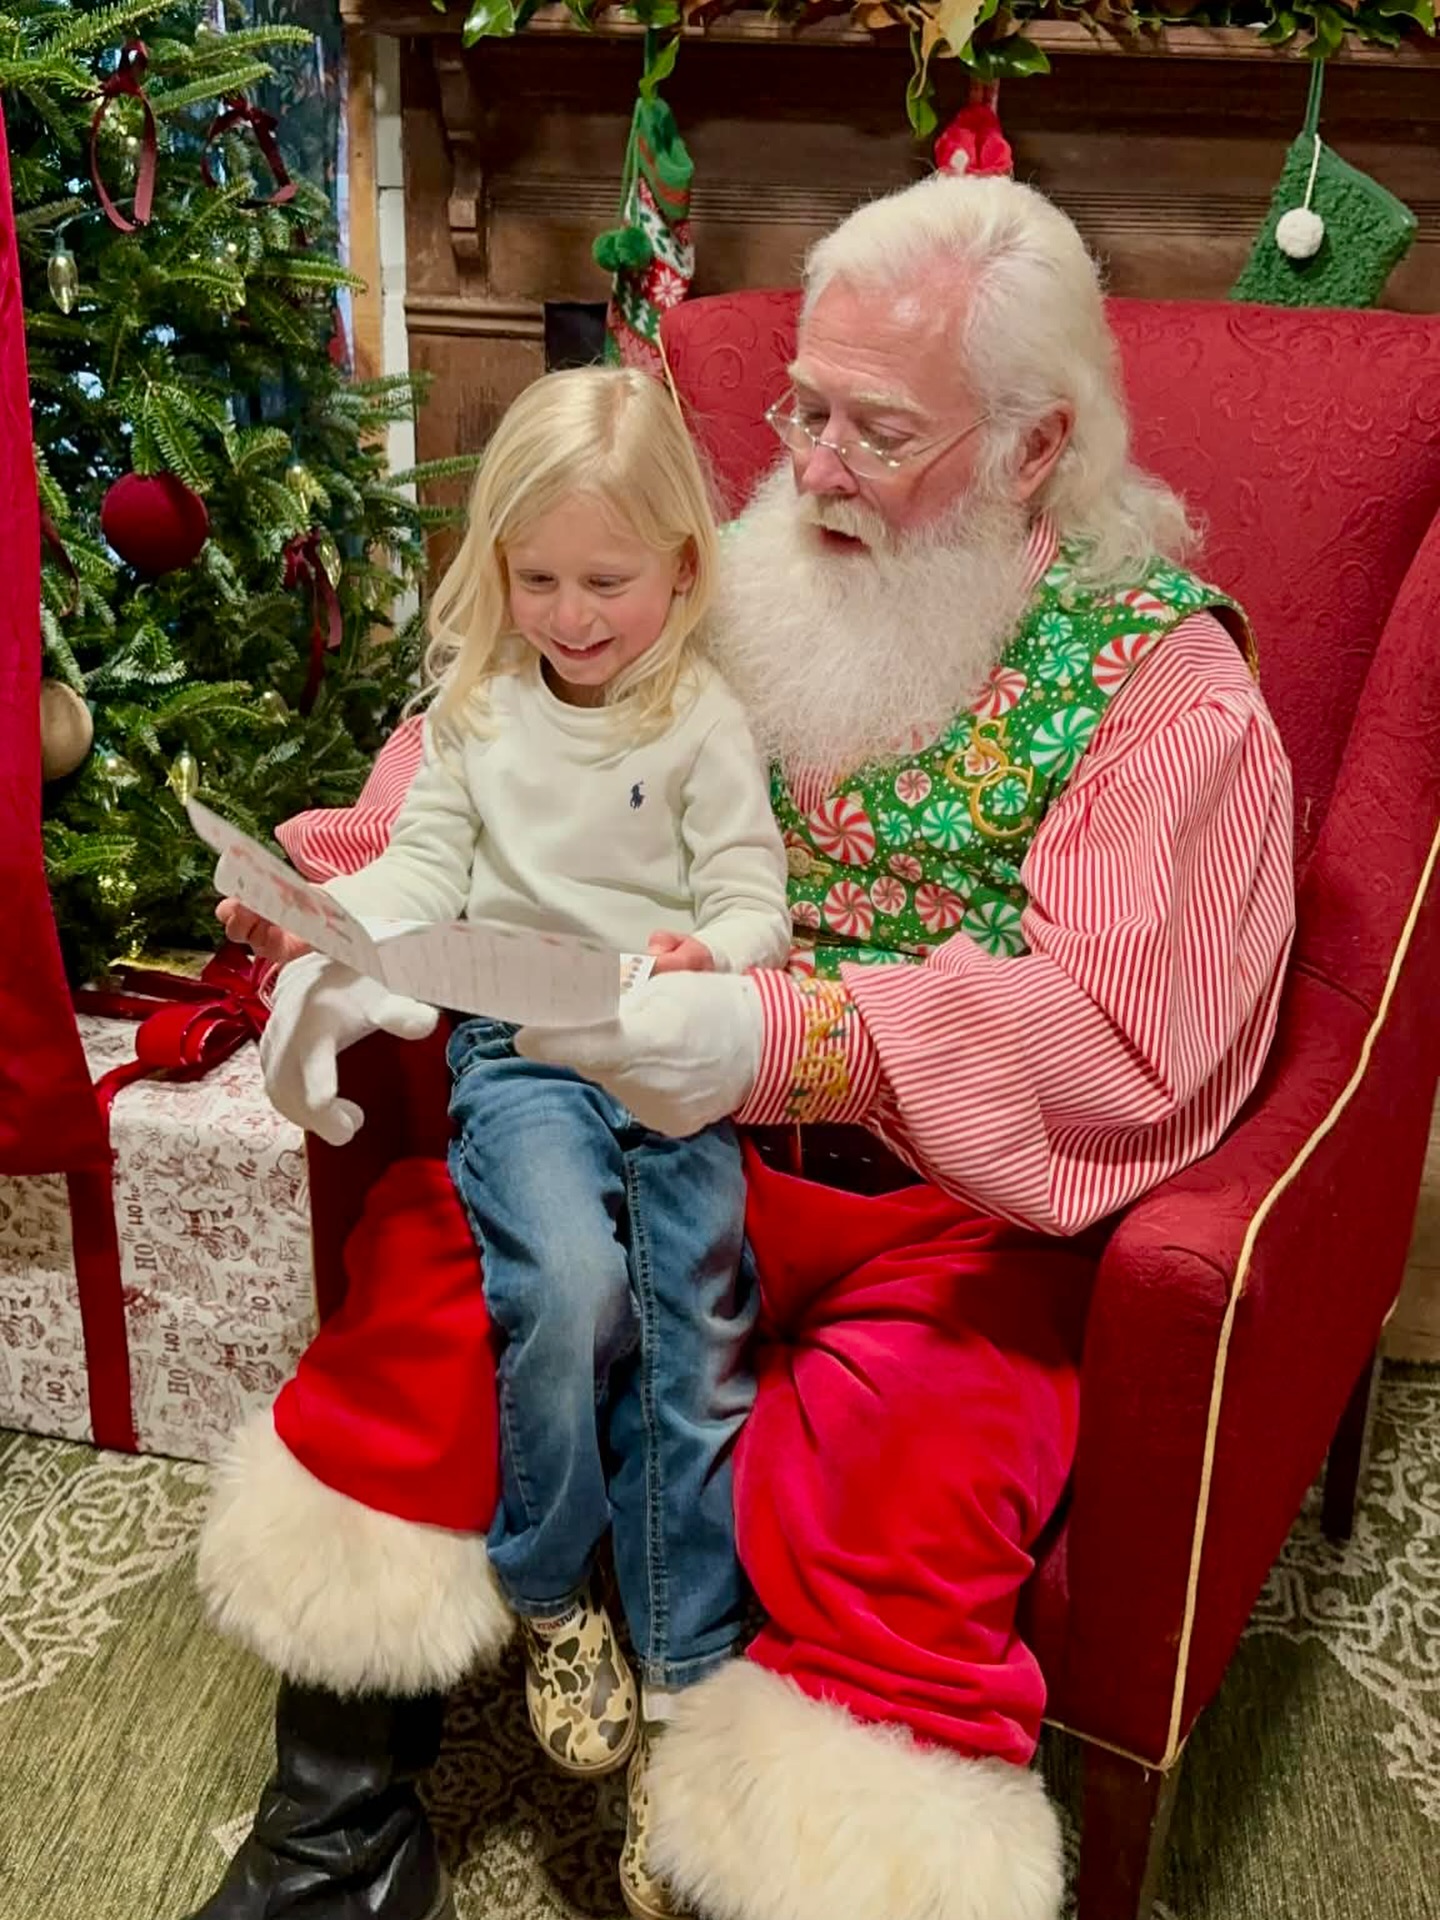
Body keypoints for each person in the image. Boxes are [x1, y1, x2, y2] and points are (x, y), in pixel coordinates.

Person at [193, 171, 1295, 1920]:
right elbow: (493, 746)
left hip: (938, 1210)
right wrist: (339, 906)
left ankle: (775, 1874)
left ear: (1032, 447)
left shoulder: (1165, 695)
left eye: (877, 426)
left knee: (905, 1489)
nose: (815, 463)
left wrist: (797, 1036)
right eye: (802, 402)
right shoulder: (742, 568)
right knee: (430, 1288)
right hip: (626, 1120)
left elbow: (1126, 1026)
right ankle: (339, 1838)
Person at [200, 364, 790, 1920]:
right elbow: (417, 878)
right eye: (538, 579)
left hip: (665, 1061)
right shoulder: (472, 714)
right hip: (522, 1058)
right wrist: (338, 933)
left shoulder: (707, 719)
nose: (574, 614)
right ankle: (548, 1586)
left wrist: (709, 962)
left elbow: (751, 902)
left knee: (696, 1333)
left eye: (609, 580)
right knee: (567, 1289)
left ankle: (680, 1688)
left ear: (683, 567)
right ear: (498, 573)